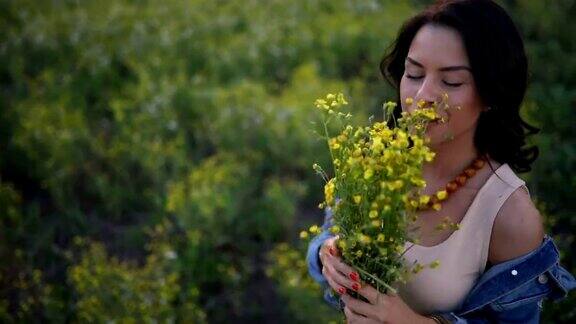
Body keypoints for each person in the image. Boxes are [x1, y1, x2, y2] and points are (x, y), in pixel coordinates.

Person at [306, 0, 576, 323]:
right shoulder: (373, 161)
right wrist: (326, 255)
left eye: (451, 82)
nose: (422, 97)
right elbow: (326, 240)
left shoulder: (509, 215)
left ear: (491, 93)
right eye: (414, 73)